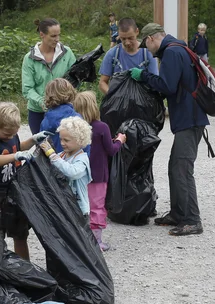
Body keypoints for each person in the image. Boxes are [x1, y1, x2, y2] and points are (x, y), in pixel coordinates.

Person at [129, 23, 207, 236]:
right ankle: (177, 213)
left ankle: (192, 220)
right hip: (189, 118)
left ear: (151, 39)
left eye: (146, 44)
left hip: (190, 120)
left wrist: (143, 76)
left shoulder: (172, 52)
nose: (148, 50)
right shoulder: (178, 48)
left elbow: (167, 86)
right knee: (175, 166)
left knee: (182, 169)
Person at [0, 102, 52, 261]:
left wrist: (33, 140)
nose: (10, 137)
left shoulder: (12, 135)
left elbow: (18, 146)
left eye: (14, 133)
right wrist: (15, 156)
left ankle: (24, 267)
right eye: (7, 134)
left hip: (15, 191)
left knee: (20, 233)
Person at [73, 91, 125, 251]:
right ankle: (96, 241)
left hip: (80, 174)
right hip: (98, 175)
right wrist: (119, 141)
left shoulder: (75, 128)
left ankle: (80, 238)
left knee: (81, 205)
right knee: (97, 207)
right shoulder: (102, 127)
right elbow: (111, 150)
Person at [22, 18, 76, 134]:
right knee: (42, 148)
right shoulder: (29, 58)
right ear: (42, 35)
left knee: (64, 147)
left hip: (63, 109)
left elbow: (74, 79)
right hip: (37, 112)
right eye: (53, 36)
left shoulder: (67, 53)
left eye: (58, 35)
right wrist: (43, 102)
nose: (57, 39)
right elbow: (27, 89)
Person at [39, 116, 92, 218]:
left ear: (80, 140)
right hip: (64, 206)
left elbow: (72, 173)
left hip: (79, 210)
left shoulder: (82, 160)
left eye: (66, 140)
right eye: (61, 139)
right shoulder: (62, 155)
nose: (62, 143)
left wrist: (52, 155)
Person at [99, 18, 159, 95]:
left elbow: (155, 81)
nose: (127, 42)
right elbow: (102, 82)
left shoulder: (148, 54)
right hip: (118, 103)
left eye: (130, 38)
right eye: (123, 39)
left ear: (137, 31)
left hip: (143, 102)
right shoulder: (112, 54)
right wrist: (114, 97)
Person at [39, 78, 86, 153]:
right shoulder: (76, 118)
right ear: (70, 93)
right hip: (74, 161)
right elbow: (84, 145)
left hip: (52, 160)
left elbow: (41, 143)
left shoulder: (46, 120)